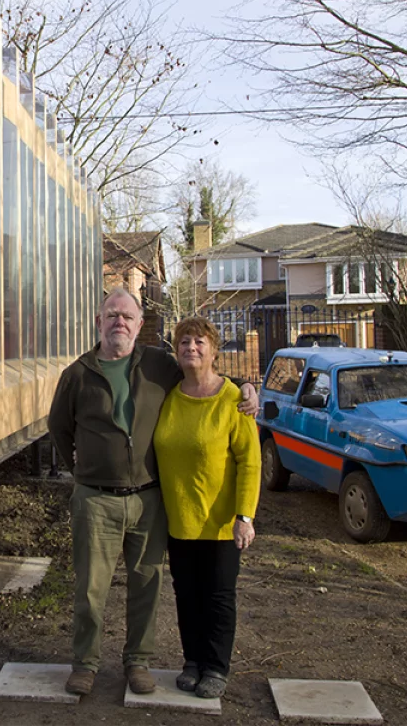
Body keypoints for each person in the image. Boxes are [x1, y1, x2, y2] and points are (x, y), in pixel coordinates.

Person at [47, 289, 257, 697]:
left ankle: (137, 663)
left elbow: (205, 375)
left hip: (148, 500)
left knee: (147, 586)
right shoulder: (77, 374)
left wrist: (246, 387)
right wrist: (82, 472)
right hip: (96, 500)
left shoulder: (159, 365)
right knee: (90, 589)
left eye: (127, 316)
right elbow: (59, 428)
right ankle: (85, 664)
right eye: (111, 315)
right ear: (99, 321)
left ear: (140, 325)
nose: (119, 322)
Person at [153, 316, 261, 699]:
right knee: (186, 594)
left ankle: (216, 666)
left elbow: (250, 462)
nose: (191, 348)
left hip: (220, 522)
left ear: (214, 351)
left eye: (199, 342)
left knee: (218, 595)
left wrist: (245, 516)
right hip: (179, 517)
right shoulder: (169, 395)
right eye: (184, 342)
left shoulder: (235, 400)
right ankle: (192, 661)